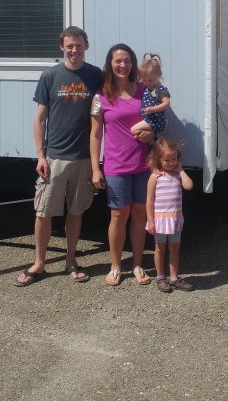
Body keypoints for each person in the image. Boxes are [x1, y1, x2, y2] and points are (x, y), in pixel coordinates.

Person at [15, 26, 102, 287]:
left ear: (86, 46)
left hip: (84, 158)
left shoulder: (96, 76)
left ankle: (71, 260)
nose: (74, 50)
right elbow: (39, 118)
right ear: (62, 47)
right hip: (54, 157)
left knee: (76, 212)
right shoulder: (51, 75)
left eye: (78, 45)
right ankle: (39, 263)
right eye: (69, 46)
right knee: (44, 212)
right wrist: (40, 155)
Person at [90, 43, 155, 287]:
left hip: (143, 165)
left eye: (127, 60)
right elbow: (95, 134)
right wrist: (96, 168)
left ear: (132, 63)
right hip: (116, 166)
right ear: (110, 63)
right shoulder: (101, 96)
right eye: (118, 60)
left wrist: (153, 133)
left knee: (140, 215)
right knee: (118, 215)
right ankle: (116, 265)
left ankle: (137, 264)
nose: (122, 65)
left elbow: (159, 119)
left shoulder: (144, 91)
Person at [144, 138, 195, 292]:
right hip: (160, 220)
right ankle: (160, 277)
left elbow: (189, 185)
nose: (171, 163)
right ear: (158, 159)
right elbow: (149, 200)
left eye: (173, 159)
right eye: (166, 160)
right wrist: (150, 220)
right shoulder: (155, 176)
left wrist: (180, 170)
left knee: (174, 248)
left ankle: (174, 278)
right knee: (160, 248)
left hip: (175, 219)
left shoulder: (178, 175)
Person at [130, 53, 170, 139]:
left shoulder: (159, 89)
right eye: (144, 80)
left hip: (155, 120)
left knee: (133, 130)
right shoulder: (149, 88)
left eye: (150, 80)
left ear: (159, 75)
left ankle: (156, 130)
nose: (147, 83)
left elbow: (167, 103)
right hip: (150, 119)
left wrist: (153, 109)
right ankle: (152, 136)